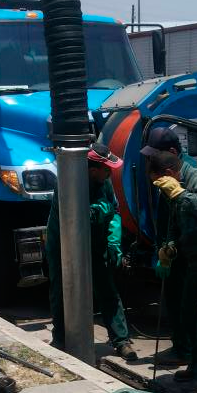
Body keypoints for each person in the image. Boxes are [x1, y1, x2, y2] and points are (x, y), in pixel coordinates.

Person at [46, 143, 137, 361]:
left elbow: (114, 210)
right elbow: (76, 217)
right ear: (92, 168)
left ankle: (121, 340)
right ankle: (60, 339)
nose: (110, 173)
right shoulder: (67, 182)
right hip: (64, 244)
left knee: (107, 290)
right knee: (62, 290)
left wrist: (114, 242)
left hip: (96, 243)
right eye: (106, 169)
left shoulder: (103, 181)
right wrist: (99, 210)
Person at [147, 149, 197, 393]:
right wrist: (170, 248)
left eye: (159, 182)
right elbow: (179, 224)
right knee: (189, 316)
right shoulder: (174, 185)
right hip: (192, 261)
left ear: (168, 174)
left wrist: (180, 194)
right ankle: (196, 366)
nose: (159, 188)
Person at [141, 126, 197, 369]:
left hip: (186, 252)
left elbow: (194, 216)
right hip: (172, 248)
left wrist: (174, 245)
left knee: (184, 304)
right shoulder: (166, 174)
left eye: (156, 154)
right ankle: (181, 346)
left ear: (173, 152)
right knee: (174, 301)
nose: (151, 160)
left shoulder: (189, 176)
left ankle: (186, 351)